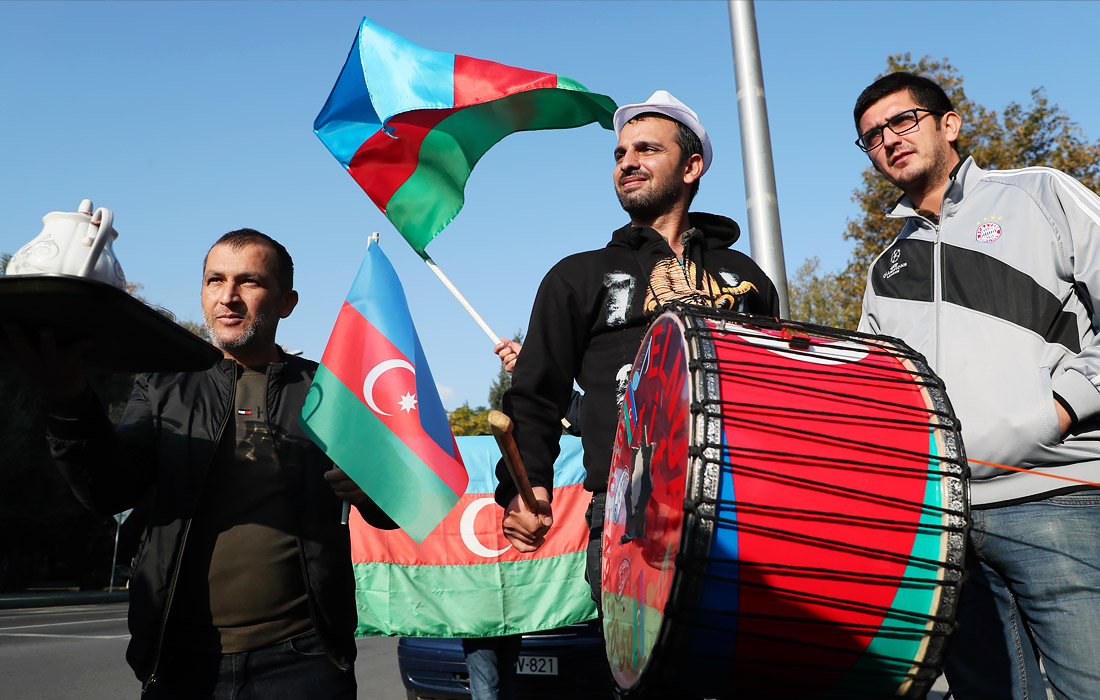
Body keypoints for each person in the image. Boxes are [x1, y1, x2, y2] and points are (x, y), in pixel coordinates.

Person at [5, 229, 396, 699]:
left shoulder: (330, 392)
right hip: (181, 661)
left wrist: (373, 490)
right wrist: (68, 401)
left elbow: (393, 507)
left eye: (249, 281)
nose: (228, 297)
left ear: (287, 302)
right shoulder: (161, 385)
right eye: (215, 280)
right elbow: (108, 490)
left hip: (304, 660)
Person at [853, 72, 1100, 699]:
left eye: (902, 120)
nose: (889, 139)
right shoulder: (884, 270)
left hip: (1058, 496)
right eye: (873, 136)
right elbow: (880, 396)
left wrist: (1062, 407)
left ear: (949, 124)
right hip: (946, 526)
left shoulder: (1041, 194)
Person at [493, 90, 780, 606]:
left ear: (691, 166)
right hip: (627, 507)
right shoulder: (576, 276)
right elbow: (536, 395)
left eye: (647, 149)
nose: (627, 162)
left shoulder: (747, 277)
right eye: (620, 153)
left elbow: (778, 390)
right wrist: (526, 485)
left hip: (749, 505)